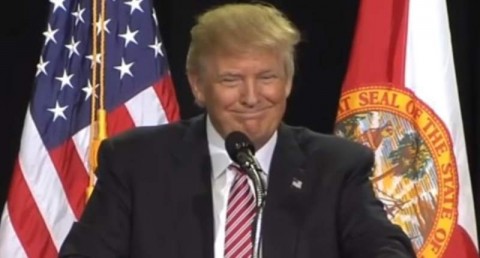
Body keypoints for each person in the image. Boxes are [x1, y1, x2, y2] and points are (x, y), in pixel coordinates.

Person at [59, 2, 415, 258]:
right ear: (198, 86)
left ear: (288, 82)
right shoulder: (136, 162)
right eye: (231, 80)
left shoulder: (335, 167)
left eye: (267, 78)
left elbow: (385, 248)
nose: (251, 97)